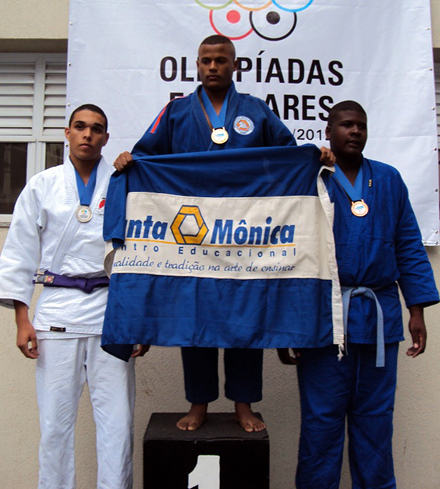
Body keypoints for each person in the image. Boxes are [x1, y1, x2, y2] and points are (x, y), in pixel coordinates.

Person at [114, 34, 316, 433]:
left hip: (244, 238)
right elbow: (148, 153)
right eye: (205, 60)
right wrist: (130, 160)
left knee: (246, 320)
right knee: (197, 320)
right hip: (193, 239)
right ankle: (198, 403)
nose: (212, 67)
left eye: (220, 60)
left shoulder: (256, 112)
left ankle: (244, 404)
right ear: (197, 65)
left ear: (235, 65)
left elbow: (289, 154)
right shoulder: (176, 112)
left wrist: (315, 158)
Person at [278, 100, 439, 488]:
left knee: (375, 423)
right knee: (321, 426)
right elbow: (288, 253)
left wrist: (416, 310)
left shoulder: (388, 180)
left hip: (379, 317)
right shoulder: (311, 178)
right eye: (347, 125)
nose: (355, 132)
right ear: (328, 130)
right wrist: (288, 326)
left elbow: (409, 246)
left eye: (360, 126)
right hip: (322, 320)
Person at [0, 104, 148, 489]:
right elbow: (19, 250)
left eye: (96, 129)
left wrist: (138, 320)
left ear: (106, 138)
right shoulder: (43, 184)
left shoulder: (121, 182)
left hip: (109, 312)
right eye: (80, 127)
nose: (87, 134)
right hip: (56, 311)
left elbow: (140, 254)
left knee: (117, 424)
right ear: (67, 133)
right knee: (54, 425)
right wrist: (21, 318)